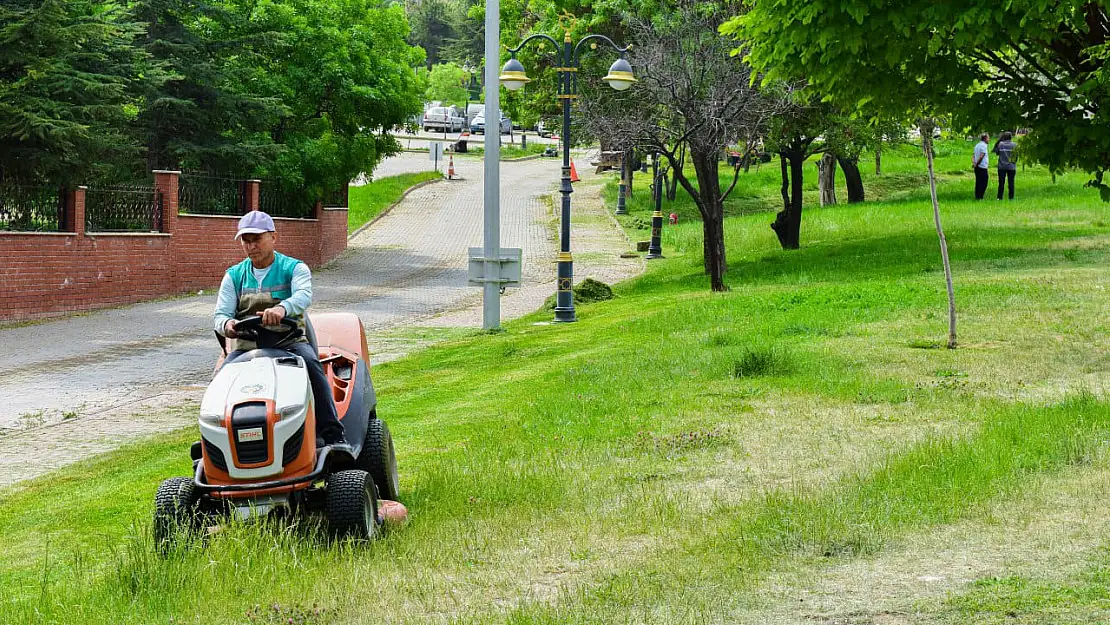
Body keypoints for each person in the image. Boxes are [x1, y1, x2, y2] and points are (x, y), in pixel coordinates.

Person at [212, 211, 348, 447]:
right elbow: (221, 314)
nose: (251, 246)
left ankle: (332, 433)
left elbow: (303, 296)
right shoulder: (233, 276)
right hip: (247, 348)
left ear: (273, 237)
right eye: (246, 240)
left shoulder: (294, 268)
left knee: (312, 367)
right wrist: (228, 325)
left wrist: (283, 309)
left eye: (257, 239)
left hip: (288, 343)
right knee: (219, 384)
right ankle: (218, 443)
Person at [993, 131, 1018, 200]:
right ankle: (1011, 197)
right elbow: (1016, 156)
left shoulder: (1001, 144)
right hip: (1011, 167)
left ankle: (999, 197)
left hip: (1002, 166)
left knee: (1001, 183)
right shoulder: (1014, 145)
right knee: (1011, 182)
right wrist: (1013, 162)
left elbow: (997, 153)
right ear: (1011, 137)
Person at [972, 132, 990, 200]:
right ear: (985, 138)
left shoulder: (977, 145)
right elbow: (981, 156)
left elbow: (973, 156)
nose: (989, 140)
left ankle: (977, 196)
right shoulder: (984, 145)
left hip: (977, 167)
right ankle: (980, 196)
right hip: (982, 167)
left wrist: (974, 163)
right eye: (988, 138)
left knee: (978, 181)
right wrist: (977, 164)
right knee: (984, 182)